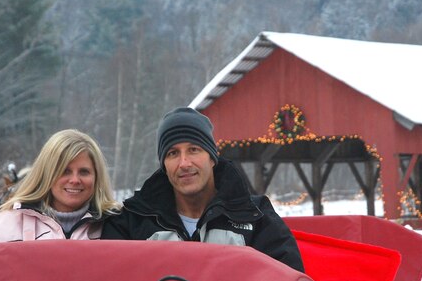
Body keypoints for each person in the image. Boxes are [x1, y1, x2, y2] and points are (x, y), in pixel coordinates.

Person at [101, 107, 304, 272]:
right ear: (164, 164)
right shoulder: (132, 221)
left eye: (193, 150)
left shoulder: (256, 217)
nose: (184, 163)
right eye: (173, 153)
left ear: (212, 156)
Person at [0, 129, 120, 244]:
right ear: (46, 173)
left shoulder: (117, 228)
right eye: (64, 171)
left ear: (96, 177)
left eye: (84, 172)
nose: (75, 180)